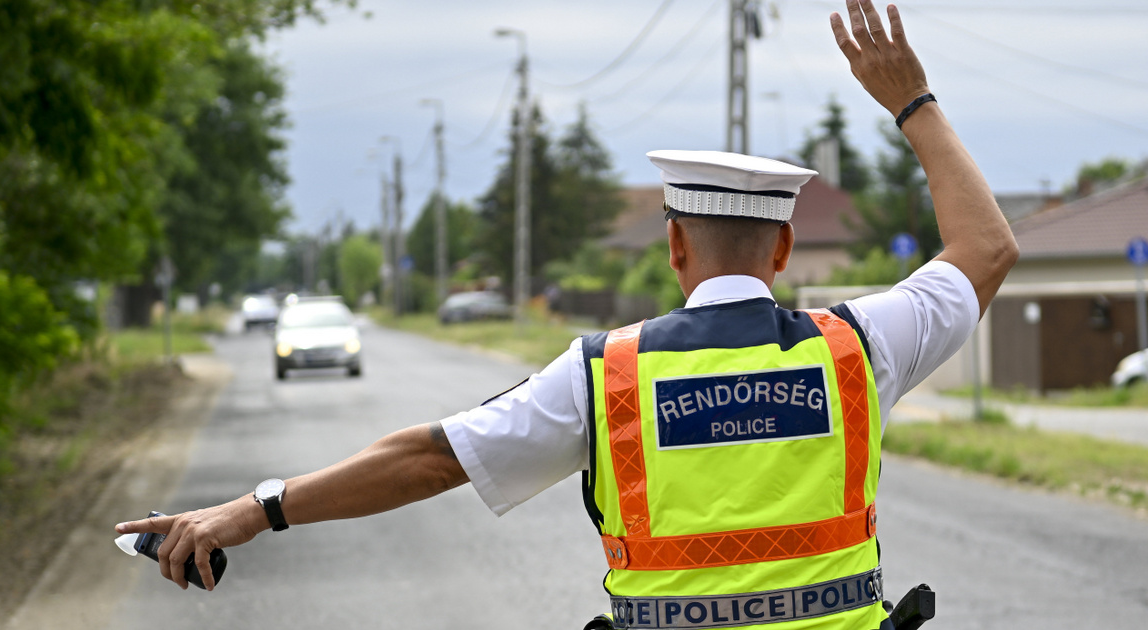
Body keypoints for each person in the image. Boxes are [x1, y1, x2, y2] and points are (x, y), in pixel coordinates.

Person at [116, 2, 1018, 628]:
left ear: (673, 249)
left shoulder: (609, 376)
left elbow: (432, 461)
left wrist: (252, 510)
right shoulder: (860, 351)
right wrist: (913, 101)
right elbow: (986, 248)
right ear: (783, 254)